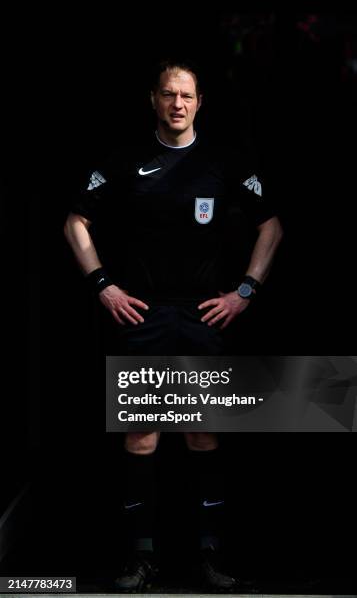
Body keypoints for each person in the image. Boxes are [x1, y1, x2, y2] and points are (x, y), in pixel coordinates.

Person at [64, 58, 283, 592]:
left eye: (186, 96)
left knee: (203, 436)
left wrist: (245, 293)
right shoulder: (126, 160)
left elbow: (271, 227)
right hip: (142, 316)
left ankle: (210, 555)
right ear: (155, 100)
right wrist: (102, 285)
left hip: (202, 316)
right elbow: (75, 221)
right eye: (168, 95)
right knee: (141, 440)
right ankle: (141, 559)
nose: (177, 104)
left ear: (200, 102)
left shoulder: (224, 161)